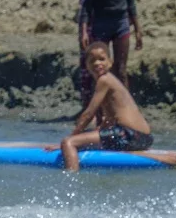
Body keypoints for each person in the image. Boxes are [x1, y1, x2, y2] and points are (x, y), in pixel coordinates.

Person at [51, 42, 154, 172]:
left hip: (128, 135)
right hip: (144, 139)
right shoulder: (110, 81)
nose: (97, 63)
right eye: (92, 60)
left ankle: (71, 182)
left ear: (110, 62)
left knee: (68, 143)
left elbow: (88, 114)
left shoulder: (104, 80)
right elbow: (111, 118)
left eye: (102, 59)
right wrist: (95, 132)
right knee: (87, 142)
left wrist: (73, 137)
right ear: (86, 65)